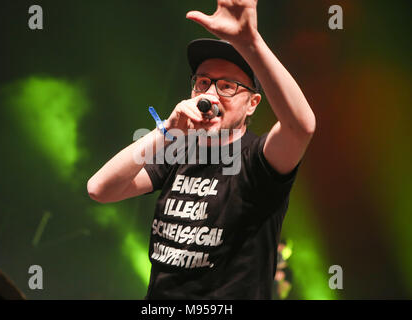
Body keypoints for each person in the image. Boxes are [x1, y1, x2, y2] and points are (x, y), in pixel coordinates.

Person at [87, 0, 315, 299]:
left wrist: (251, 43)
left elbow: (301, 126)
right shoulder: (177, 151)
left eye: (227, 86)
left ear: (252, 104)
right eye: (203, 83)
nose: (209, 96)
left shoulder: (258, 159)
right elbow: (100, 189)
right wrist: (167, 130)